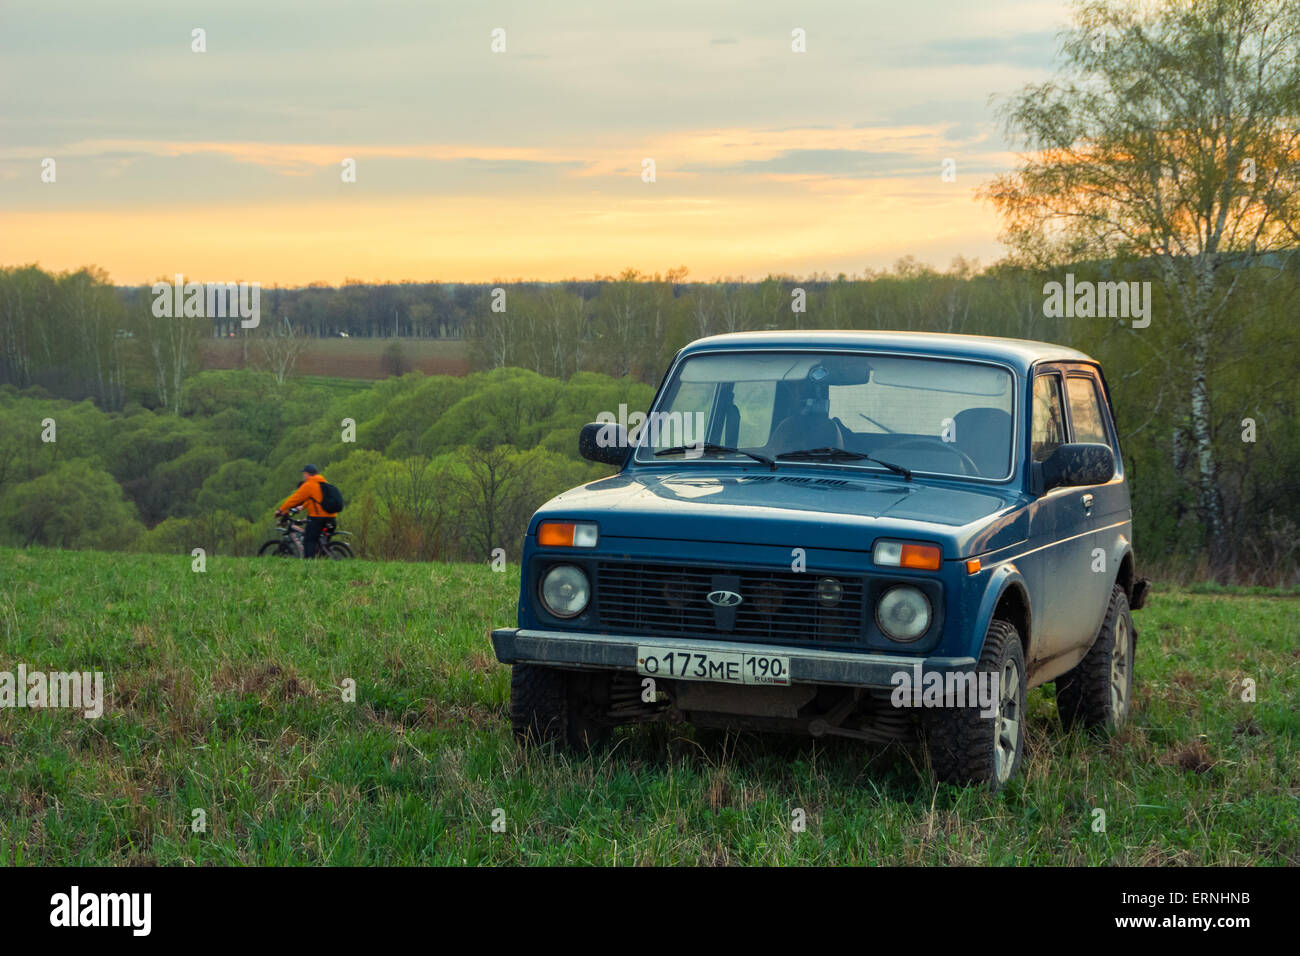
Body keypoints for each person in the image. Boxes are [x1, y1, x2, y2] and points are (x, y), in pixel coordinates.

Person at [276, 465, 338, 558]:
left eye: (304, 474)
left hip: (318, 518)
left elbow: (295, 499)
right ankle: (323, 555)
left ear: (307, 474)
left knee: (308, 540)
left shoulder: (309, 485)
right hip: (332, 517)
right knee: (319, 541)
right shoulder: (323, 483)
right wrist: (299, 508)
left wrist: (281, 509)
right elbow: (310, 502)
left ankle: (309, 564)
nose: (303, 476)